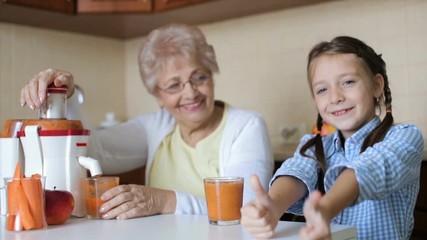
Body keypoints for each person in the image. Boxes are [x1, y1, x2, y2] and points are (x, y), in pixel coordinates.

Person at [20, 23, 274, 220]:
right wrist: (66, 96)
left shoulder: (246, 126)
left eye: (199, 77)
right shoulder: (157, 126)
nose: (190, 92)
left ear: (212, 75)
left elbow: (245, 210)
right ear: (158, 96)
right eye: (174, 85)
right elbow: (92, 150)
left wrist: (164, 201)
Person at [240, 36, 424, 239]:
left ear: (377, 85)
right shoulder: (314, 145)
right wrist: (273, 205)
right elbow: (297, 171)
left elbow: (367, 169)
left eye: (347, 82)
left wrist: (325, 209)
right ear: (315, 100)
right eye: (322, 90)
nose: (335, 97)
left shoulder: (405, 136)